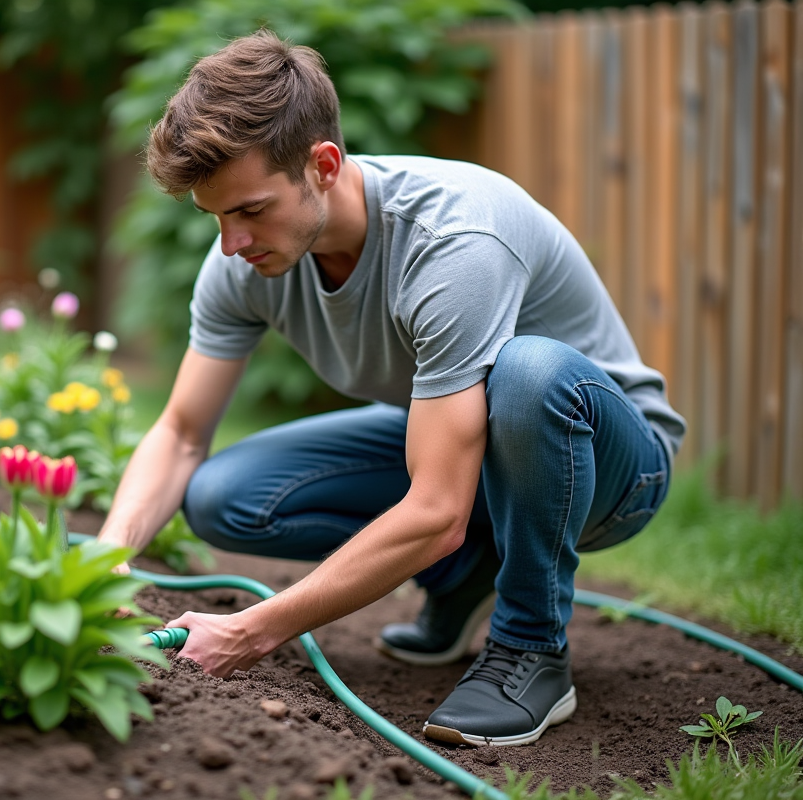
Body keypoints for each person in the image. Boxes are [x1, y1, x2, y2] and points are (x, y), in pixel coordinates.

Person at [96, 29, 685, 747]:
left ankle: (531, 650)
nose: (232, 243)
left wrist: (252, 631)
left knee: (529, 374)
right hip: (471, 452)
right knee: (227, 496)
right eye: (215, 216)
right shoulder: (242, 264)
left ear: (323, 165)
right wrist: (110, 556)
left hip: (609, 466)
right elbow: (183, 432)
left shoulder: (453, 242)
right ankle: (468, 577)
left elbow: (436, 509)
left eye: (250, 210)